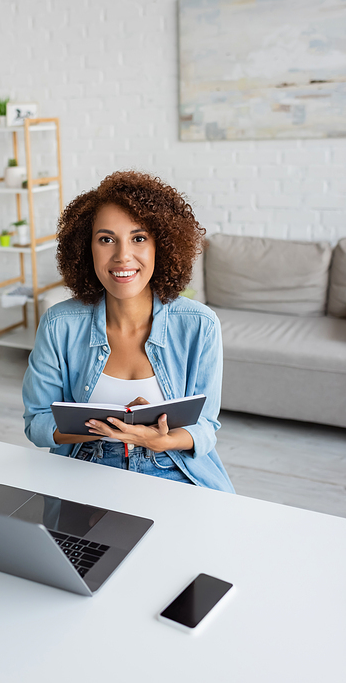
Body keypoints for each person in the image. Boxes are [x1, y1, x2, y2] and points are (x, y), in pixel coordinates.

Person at [22, 170, 235, 493]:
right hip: (86, 466)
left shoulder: (199, 324)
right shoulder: (58, 325)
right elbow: (37, 424)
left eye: (139, 238)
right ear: (86, 248)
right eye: (106, 239)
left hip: (172, 467)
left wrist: (160, 440)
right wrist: (109, 428)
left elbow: (205, 427)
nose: (122, 256)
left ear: (160, 246)